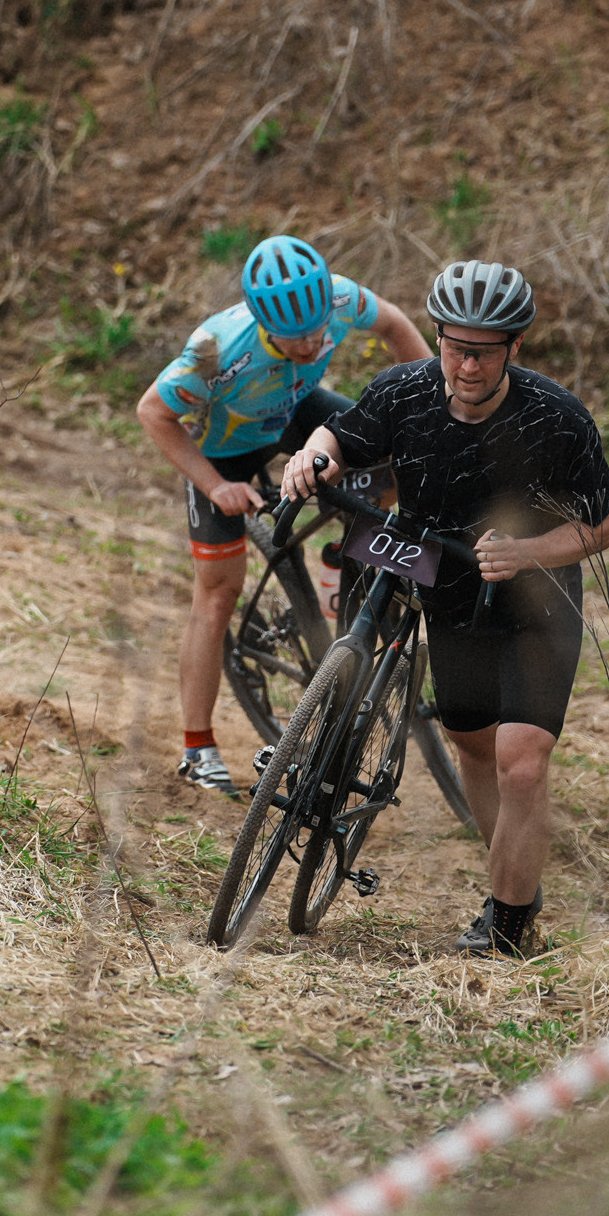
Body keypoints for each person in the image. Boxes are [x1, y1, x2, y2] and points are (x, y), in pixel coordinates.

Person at [281, 259, 609, 958]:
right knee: (471, 746)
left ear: (514, 348)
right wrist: (311, 458)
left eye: (484, 352)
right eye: (454, 346)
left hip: (534, 601)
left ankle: (508, 920)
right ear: (436, 335)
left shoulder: (557, 418)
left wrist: (528, 553)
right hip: (447, 585)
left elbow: (602, 528)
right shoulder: (403, 392)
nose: (465, 365)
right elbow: (342, 436)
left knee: (520, 764)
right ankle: (514, 869)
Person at [136, 235, 431, 796]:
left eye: (320, 329)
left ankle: (334, 570)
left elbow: (394, 326)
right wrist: (217, 485)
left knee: (390, 467)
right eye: (298, 339)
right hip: (227, 450)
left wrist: (427, 405)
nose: (315, 341)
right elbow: (153, 412)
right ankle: (197, 747)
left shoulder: (340, 299)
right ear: (263, 322)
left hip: (299, 414)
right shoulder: (217, 348)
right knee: (218, 590)